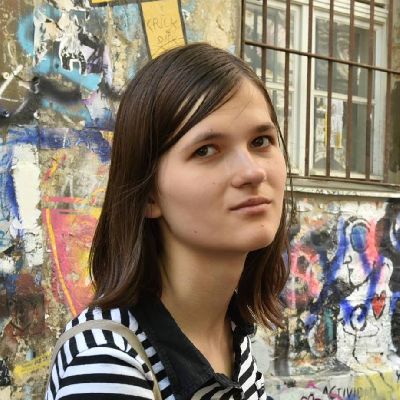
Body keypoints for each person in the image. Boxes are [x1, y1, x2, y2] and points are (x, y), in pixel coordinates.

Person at [45, 42, 290, 400]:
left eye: (261, 141)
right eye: (206, 150)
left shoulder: (230, 334)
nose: (252, 172)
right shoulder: (108, 361)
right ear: (149, 195)